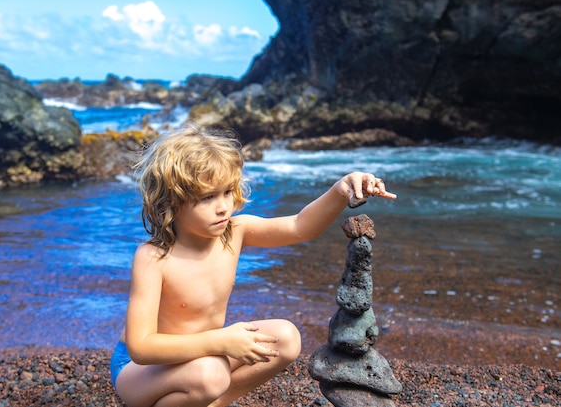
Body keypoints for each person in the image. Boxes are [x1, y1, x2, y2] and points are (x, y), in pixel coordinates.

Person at [110, 124, 396, 407]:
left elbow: (299, 227)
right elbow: (141, 347)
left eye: (226, 192)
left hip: (203, 359)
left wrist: (340, 190)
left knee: (284, 339)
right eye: (207, 197)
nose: (223, 206)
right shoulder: (154, 257)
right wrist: (221, 342)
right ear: (171, 202)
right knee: (210, 375)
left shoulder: (234, 232)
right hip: (140, 372)